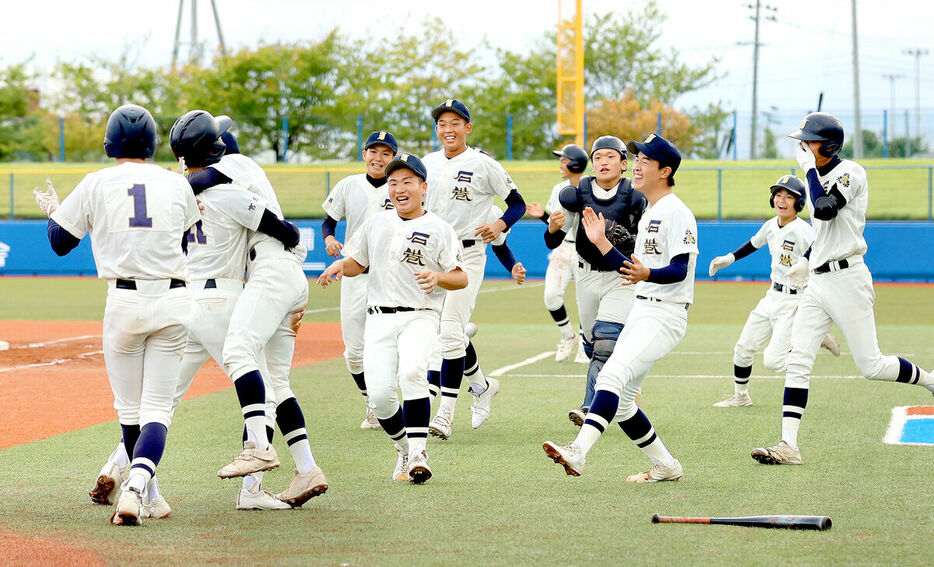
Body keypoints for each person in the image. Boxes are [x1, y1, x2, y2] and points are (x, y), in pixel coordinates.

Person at [33, 104, 200, 525]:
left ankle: (135, 490)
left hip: (124, 301)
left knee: (131, 411)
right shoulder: (177, 183)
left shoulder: (96, 182)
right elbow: (186, 239)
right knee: (158, 410)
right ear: (152, 142)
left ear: (109, 142)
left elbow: (59, 243)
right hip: (174, 298)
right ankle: (145, 492)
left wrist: (53, 212)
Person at [751, 113, 934, 465]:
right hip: (818, 281)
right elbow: (820, 233)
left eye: (810, 141)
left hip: (848, 278)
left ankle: (928, 380)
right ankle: (788, 445)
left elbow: (824, 210)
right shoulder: (816, 175)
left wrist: (808, 170)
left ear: (831, 145)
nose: (803, 145)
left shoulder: (851, 172)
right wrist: (805, 259)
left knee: (871, 365)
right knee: (798, 359)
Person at [176, 115, 328, 506]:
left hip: (271, 272)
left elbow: (196, 181)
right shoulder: (237, 171)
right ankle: (304, 471)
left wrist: (167, 185)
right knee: (276, 385)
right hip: (283, 273)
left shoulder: (229, 168)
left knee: (239, 351)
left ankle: (259, 447)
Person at [543, 133, 695, 483]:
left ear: (665, 170)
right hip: (643, 307)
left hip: (665, 312)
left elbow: (680, 269)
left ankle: (578, 452)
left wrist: (648, 272)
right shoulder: (651, 212)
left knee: (610, 374)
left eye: (644, 160)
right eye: (637, 159)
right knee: (624, 402)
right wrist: (600, 242)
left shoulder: (677, 212)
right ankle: (667, 466)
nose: (637, 165)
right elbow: (629, 267)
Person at [317, 153, 466, 483]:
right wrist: (341, 266)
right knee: (381, 397)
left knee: (413, 371)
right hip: (379, 320)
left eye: (407, 182)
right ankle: (402, 449)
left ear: (423, 187)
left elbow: (460, 276)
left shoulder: (440, 229)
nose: (399, 188)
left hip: (420, 316)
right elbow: (359, 261)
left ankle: (418, 452)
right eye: (393, 182)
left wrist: (438, 277)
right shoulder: (376, 222)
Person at [421, 98, 526, 440]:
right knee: (443, 333)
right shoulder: (426, 164)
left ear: (468, 127)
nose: (447, 129)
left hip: (468, 255)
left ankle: (445, 415)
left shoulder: (483, 164)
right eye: (442, 123)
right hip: (431, 257)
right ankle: (481, 386)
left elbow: (517, 203)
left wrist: (499, 223)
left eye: (455, 122)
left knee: (450, 331)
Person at [708, 175, 840, 407]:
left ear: (799, 204)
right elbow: (753, 243)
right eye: (778, 195)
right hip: (771, 296)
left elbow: (821, 248)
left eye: (789, 197)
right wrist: (729, 258)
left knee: (773, 362)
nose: (782, 200)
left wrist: (806, 265)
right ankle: (741, 396)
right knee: (743, 347)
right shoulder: (771, 225)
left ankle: (816, 336)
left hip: (795, 299)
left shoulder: (803, 230)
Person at [544, 136, 647, 427]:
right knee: (591, 343)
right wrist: (553, 226)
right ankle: (627, 387)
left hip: (621, 276)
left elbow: (644, 242)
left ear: (624, 164)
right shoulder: (576, 193)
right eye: (598, 157)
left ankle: (590, 406)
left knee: (605, 341)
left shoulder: (636, 196)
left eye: (610, 157)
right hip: (586, 273)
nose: (603, 162)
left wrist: (629, 244)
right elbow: (552, 241)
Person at [321, 130, 399, 430]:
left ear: (392, 157)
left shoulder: (399, 188)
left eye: (385, 153)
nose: (378, 158)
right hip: (353, 273)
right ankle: (370, 401)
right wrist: (329, 238)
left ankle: (385, 402)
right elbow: (330, 220)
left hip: (389, 276)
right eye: (373, 151)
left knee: (389, 341)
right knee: (354, 352)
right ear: (364, 154)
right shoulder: (348, 185)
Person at [525, 144, 589, 363]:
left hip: (586, 250)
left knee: (586, 301)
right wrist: (543, 215)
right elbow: (559, 224)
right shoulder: (558, 189)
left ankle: (586, 343)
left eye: (564, 160)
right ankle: (568, 336)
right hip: (562, 247)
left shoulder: (593, 187)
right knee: (551, 296)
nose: (561, 164)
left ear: (575, 163)